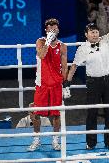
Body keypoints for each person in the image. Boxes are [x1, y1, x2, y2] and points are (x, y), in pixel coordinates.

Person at [66, 16, 109, 150]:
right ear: (86, 34)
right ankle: (91, 143)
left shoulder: (105, 41)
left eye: (96, 31)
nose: (95, 33)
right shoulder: (82, 48)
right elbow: (74, 66)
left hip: (108, 81)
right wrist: (67, 83)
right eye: (92, 32)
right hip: (93, 83)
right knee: (92, 113)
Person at [27, 18, 70, 152]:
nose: (52, 28)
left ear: (58, 29)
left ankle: (55, 141)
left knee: (57, 114)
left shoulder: (62, 46)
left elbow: (64, 67)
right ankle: (36, 139)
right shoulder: (40, 41)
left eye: (54, 26)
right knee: (35, 113)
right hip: (42, 84)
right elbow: (41, 55)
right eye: (49, 27)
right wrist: (48, 40)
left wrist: (66, 84)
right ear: (46, 30)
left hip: (56, 84)